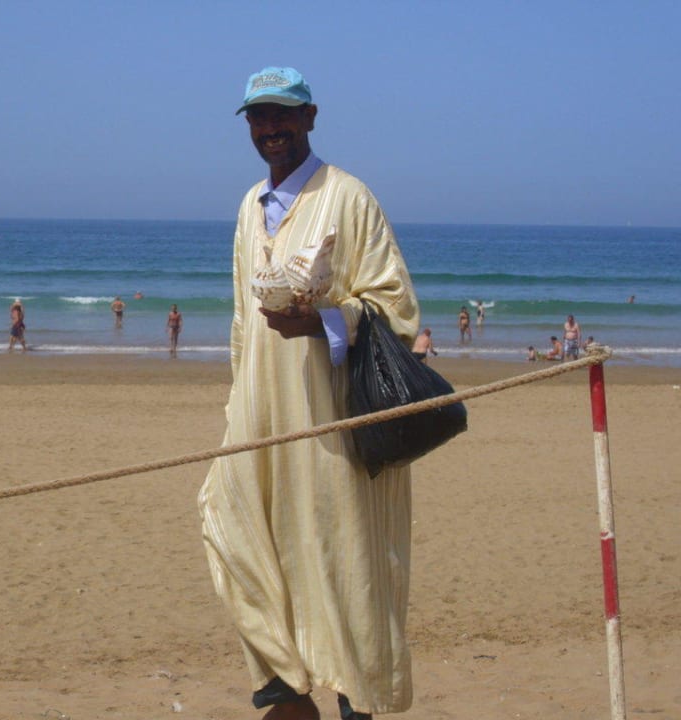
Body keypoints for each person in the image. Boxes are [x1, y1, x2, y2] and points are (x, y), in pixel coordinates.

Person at [198, 67, 420, 720]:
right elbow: (244, 324)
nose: (271, 130)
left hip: (332, 426)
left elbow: (397, 309)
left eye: (283, 115)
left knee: (343, 564)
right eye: (258, 118)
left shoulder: (348, 198)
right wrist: (237, 409)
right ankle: (285, 692)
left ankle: (353, 704)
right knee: (228, 526)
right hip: (259, 419)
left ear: (311, 117)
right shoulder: (247, 209)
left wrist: (323, 321)